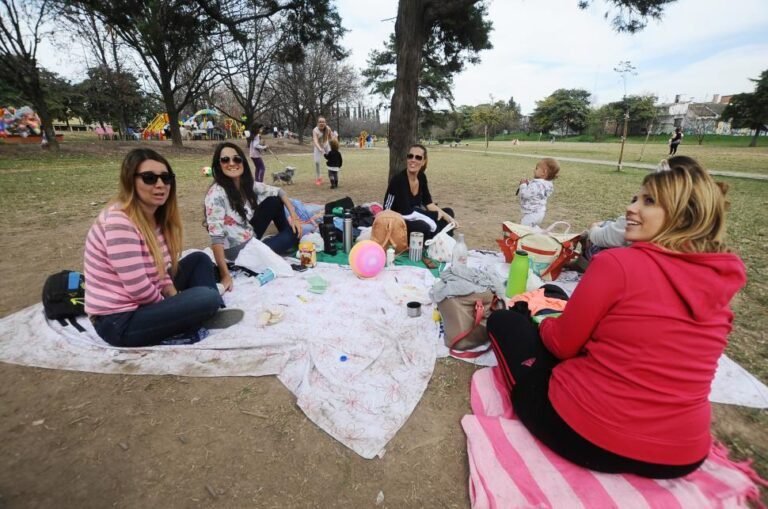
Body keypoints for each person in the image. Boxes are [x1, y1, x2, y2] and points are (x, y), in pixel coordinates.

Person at [487, 155, 746, 479]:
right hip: (682, 455)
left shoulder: (618, 265)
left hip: (589, 435)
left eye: (648, 201)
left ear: (682, 215)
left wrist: (546, 322)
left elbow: (561, 346)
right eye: (635, 198)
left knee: (504, 322)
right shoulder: (720, 284)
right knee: (554, 293)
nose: (631, 208)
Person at [84, 148, 226, 348]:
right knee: (207, 297)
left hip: (143, 301)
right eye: (149, 178)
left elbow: (160, 271)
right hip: (119, 321)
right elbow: (138, 288)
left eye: (166, 178)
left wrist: (175, 296)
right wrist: (173, 305)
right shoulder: (119, 221)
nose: (160, 184)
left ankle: (207, 312)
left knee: (199, 260)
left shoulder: (154, 217)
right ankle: (202, 312)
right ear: (130, 181)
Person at [204, 142, 302, 292]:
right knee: (293, 235)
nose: (232, 163)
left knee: (274, 200)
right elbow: (216, 238)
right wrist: (225, 275)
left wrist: (294, 217)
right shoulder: (216, 194)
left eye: (236, 159)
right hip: (239, 252)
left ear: (243, 162)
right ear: (218, 165)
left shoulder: (246, 184)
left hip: (249, 234)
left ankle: (285, 234)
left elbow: (279, 191)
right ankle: (286, 237)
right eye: (225, 160)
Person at [383, 143, 458, 240]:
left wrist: (448, 218)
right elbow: (406, 211)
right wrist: (433, 215)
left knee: (448, 211)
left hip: (414, 215)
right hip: (395, 218)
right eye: (410, 156)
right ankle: (439, 236)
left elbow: (429, 203)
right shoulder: (399, 180)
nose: (413, 160)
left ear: (423, 162)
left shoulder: (421, 177)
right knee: (422, 227)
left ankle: (437, 236)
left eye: (418, 157)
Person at [518, 158, 560, 227]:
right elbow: (537, 192)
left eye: (536, 168)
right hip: (540, 213)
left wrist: (523, 185)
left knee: (523, 229)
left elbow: (525, 194)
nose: (534, 170)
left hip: (531, 214)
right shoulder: (547, 184)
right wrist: (528, 185)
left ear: (544, 172)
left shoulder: (536, 184)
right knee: (532, 228)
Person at [312, 117, 333, 186]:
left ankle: (332, 175)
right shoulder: (315, 130)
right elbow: (315, 141)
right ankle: (319, 178)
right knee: (317, 162)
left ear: (325, 123)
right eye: (320, 122)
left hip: (326, 145)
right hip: (318, 147)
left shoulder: (328, 128)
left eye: (323, 122)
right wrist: (320, 149)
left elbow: (331, 138)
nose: (321, 123)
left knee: (331, 160)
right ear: (317, 123)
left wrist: (333, 147)